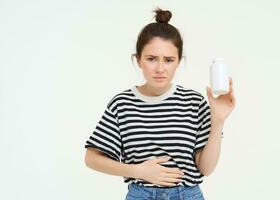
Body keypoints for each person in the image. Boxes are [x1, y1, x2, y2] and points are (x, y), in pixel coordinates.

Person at [84, 8, 236, 200]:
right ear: (138, 60)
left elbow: (206, 168)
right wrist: (139, 171)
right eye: (151, 59)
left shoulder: (194, 102)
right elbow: (92, 158)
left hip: (187, 195)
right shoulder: (122, 104)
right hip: (141, 195)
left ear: (178, 61)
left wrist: (218, 120)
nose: (160, 68)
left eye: (169, 60)